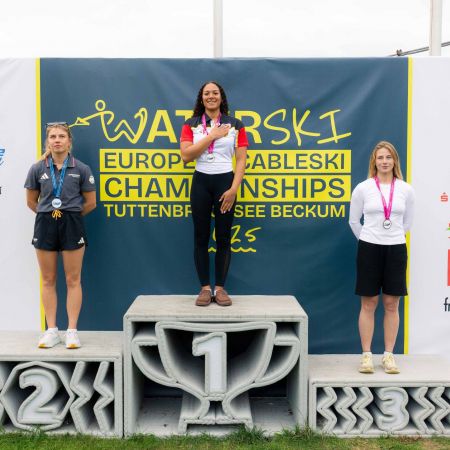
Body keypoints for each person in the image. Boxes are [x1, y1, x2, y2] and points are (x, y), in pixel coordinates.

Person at [24, 122, 96, 349]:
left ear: (69, 141)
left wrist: (70, 215)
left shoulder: (81, 168)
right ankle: (52, 330)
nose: (57, 140)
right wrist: (50, 214)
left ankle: (72, 331)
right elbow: (31, 201)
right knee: (48, 279)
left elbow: (91, 203)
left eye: (61, 136)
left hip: (72, 223)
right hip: (45, 223)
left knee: (73, 279)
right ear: (48, 141)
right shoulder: (37, 168)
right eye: (53, 136)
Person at [180, 81, 248, 306]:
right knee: (200, 237)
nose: (211, 96)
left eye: (215, 93)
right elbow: (186, 156)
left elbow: (241, 160)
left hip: (225, 183)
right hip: (201, 182)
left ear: (221, 97)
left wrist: (233, 189)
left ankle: (220, 289)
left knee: (224, 237)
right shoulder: (190, 124)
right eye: (207, 93)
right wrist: (212, 136)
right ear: (201, 98)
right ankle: (204, 289)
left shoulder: (235, 124)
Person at [349, 141, 414, 374]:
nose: (384, 161)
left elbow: (407, 223)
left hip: (396, 249)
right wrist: (368, 239)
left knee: (391, 304)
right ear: (374, 162)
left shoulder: (406, 190)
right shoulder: (363, 188)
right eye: (380, 158)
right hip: (369, 248)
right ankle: (366, 356)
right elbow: (354, 221)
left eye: (388, 157)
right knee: (369, 303)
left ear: (395, 161)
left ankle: (388, 356)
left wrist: (390, 237)